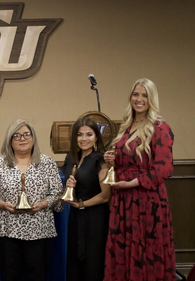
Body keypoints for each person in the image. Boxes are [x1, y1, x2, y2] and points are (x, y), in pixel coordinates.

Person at [103, 78, 176, 280]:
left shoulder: (159, 127)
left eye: (144, 95)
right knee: (123, 251)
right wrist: (112, 159)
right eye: (136, 94)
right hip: (123, 201)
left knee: (146, 253)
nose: (139, 99)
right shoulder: (127, 126)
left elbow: (164, 168)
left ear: (151, 99)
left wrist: (132, 183)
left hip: (147, 200)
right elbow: (125, 161)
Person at [0, 119, 63, 281]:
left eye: (27, 134)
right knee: (9, 275)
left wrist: (44, 203)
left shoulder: (47, 163)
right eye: (17, 135)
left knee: (38, 275)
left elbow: (58, 193)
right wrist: (1, 204)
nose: (22, 138)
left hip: (40, 231)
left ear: (33, 138)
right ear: (10, 140)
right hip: (7, 231)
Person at [60, 116, 110, 281]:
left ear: (96, 137)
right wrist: (68, 186)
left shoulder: (101, 160)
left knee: (93, 262)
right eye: (80, 135)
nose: (84, 139)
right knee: (74, 261)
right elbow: (66, 190)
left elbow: (105, 196)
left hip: (95, 217)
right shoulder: (71, 158)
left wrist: (82, 204)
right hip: (74, 216)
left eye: (89, 134)